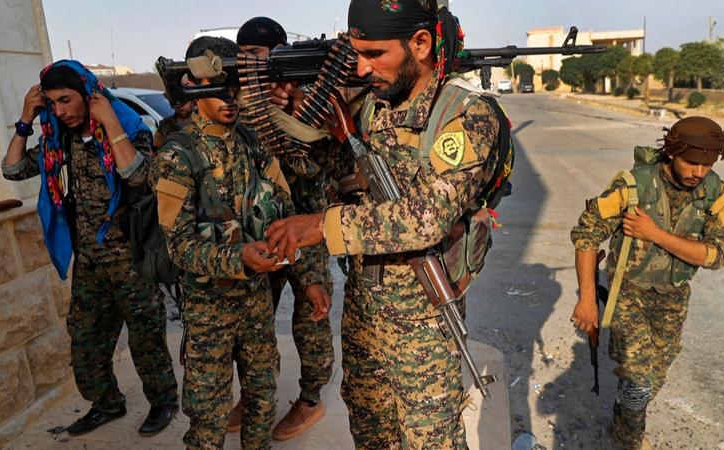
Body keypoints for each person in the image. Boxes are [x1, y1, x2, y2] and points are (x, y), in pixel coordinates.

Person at [264, 0, 503, 447]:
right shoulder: (374, 107)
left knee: (429, 436)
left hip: (423, 320)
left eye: (374, 54)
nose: (362, 67)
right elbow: (336, 173)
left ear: (420, 43)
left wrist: (321, 226)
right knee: (370, 425)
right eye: (357, 53)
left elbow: (426, 219)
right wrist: (304, 119)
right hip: (365, 308)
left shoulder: (466, 116)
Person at [153, 36, 328, 449]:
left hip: (255, 305)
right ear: (193, 87)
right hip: (208, 312)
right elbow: (178, 246)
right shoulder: (179, 157)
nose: (231, 98)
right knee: (209, 419)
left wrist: (310, 278)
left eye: (236, 85)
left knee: (261, 403)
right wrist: (240, 258)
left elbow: (287, 216)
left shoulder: (254, 143)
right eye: (218, 86)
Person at [1, 60, 178, 436]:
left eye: (66, 100)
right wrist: (25, 120)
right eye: (52, 102)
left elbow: (140, 178)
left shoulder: (130, 130)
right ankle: (107, 404)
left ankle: (163, 403)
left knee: (147, 342)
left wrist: (111, 122)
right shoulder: (56, 141)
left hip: (133, 262)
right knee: (85, 343)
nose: (60, 110)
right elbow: (12, 170)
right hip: (91, 266)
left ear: (89, 95)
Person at [570, 116, 724, 449]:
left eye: (708, 164)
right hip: (628, 293)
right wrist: (587, 299)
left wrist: (655, 234)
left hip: (673, 298)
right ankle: (630, 437)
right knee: (640, 377)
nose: (699, 172)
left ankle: (624, 419)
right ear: (672, 152)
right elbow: (587, 234)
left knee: (654, 376)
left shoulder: (715, 193)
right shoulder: (632, 186)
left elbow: (719, 253)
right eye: (692, 163)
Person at [227, 16, 335, 440]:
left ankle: (310, 398)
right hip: (260, 229)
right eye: (245, 54)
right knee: (255, 321)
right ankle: (255, 395)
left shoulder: (302, 95)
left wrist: (289, 108)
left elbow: (318, 164)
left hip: (307, 224)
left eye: (259, 54)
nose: (251, 62)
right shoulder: (239, 101)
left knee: (311, 316)